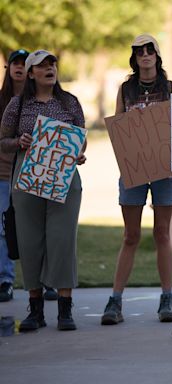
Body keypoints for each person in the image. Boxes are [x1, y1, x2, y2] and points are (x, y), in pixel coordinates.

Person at [0, 50, 87, 330]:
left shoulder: (70, 102)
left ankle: (65, 309)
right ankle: (35, 310)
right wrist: (18, 142)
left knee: (62, 241)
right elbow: (3, 139)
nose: (49, 68)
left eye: (52, 64)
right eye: (42, 65)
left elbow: (81, 138)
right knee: (30, 242)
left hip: (63, 175)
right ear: (30, 73)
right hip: (28, 174)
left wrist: (78, 152)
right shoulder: (18, 103)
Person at [101, 34, 172, 325]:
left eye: (150, 51)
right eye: (140, 52)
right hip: (133, 170)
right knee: (130, 235)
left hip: (165, 171)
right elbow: (119, 128)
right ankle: (115, 299)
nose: (145, 55)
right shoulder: (125, 89)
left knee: (162, 233)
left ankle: (167, 297)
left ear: (158, 56)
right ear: (134, 58)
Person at [0, 49, 28, 303]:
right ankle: (5, 281)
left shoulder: (40, 100)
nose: (19, 67)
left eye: (24, 63)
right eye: (14, 63)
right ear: (8, 69)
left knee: (36, 228)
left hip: (32, 173)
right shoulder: (1, 101)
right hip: (3, 174)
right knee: (2, 228)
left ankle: (45, 281)